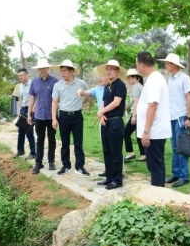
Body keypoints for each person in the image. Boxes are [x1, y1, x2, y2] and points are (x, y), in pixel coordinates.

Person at [136, 51, 171, 187]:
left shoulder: (155, 80)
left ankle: (157, 195)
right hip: (154, 130)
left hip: (154, 132)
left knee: (155, 166)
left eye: (136, 64)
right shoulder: (153, 78)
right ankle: (159, 193)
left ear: (141, 64)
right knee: (155, 165)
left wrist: (146, 131)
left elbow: (152, 106)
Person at [158, 53, 190, 188]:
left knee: (181, 147)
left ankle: (184, 176)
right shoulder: (170, 80)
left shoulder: (184, 78)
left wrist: (189, 117)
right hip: (171, 117)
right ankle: (176, 173)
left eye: (168, 63)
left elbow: (188, 97)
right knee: (174, 147)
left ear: (174, 65)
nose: (166, 65)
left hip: (181, 117)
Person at [51, 59, 90, 176]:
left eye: (65, 71)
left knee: (78, 143)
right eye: (61, 71)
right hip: (63, 116)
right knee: (65, 143)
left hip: (77, 116)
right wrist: (54, 118)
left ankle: (80, 167)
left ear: (71, 71)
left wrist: (81, 103)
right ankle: (66, 166)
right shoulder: (57, 85)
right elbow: (54, 102)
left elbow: (88, 94)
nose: (62, 73)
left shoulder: (80, 83)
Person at [95, 59, 128, 190]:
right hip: (106, 121)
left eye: (111, 69)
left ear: (117, 71)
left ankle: (117, 179)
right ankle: (109, 177)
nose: (108, 71)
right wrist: (101, 114)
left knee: (115, 152)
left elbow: (116, 102)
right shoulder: (107, 87)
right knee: (107, 151)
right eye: (107, 69)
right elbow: (103, 102)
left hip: (115, 121)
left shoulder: (120, 85)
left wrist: (102, 111)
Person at [27, 58, 58, 174]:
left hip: (51, 116)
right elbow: (31, 98)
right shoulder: (34, 82)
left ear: (48, 68)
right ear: (38, 70)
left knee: (52, 139)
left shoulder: (55, 82)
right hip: (39, 116)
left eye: (44, 68)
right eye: (40, 68)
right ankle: (38, 162)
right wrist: (29, 114)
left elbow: (57, 99)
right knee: (40, 140)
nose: (42, 70)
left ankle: (51, 161)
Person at [123, 68, 145, 161]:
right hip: (141, 113)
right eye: (128, 78)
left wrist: (134, 116)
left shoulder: (136, 87)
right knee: (138, 134)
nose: (129, 80)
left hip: (137, 114)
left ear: (136, 78)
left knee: (126, 133)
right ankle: (143, 154)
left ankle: (131, 153)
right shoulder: (139, 86)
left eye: (130, 78)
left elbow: (136, 101)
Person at [14, 68, 36, 159]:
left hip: (30, 110)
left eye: (22, 75)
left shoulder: (32, 84)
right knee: (21, 131)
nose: (20, 77)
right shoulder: (21, 86)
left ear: (27, 75)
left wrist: (32, 110)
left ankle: (33, 153)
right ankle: (20, 150)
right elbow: (20, 98)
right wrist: (19, 111)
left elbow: (36, 97)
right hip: (23, 109)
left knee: (29, 131)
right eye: (19, 76)